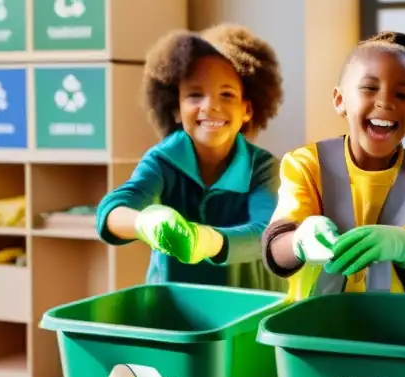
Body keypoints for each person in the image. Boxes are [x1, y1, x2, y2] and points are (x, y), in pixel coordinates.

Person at [261, 31, 405, 300]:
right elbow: (275, 253)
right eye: (369, 88)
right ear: (340, 100)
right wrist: (300, 241)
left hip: (395, 330)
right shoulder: (305, 164)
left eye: (403, 95)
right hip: (312, 328)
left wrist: (404, 247)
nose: (386, 102)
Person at [96, 23, 286, 290]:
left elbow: (266, 233)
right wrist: (143, 223)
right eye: (195, 95)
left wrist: (207, 241)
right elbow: (110, 212)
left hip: (248, 304)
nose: (210, 106)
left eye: (227, 94)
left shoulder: (262, 167)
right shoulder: (163, 160)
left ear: (248, 109)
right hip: (174, 306)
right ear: (176, 108)